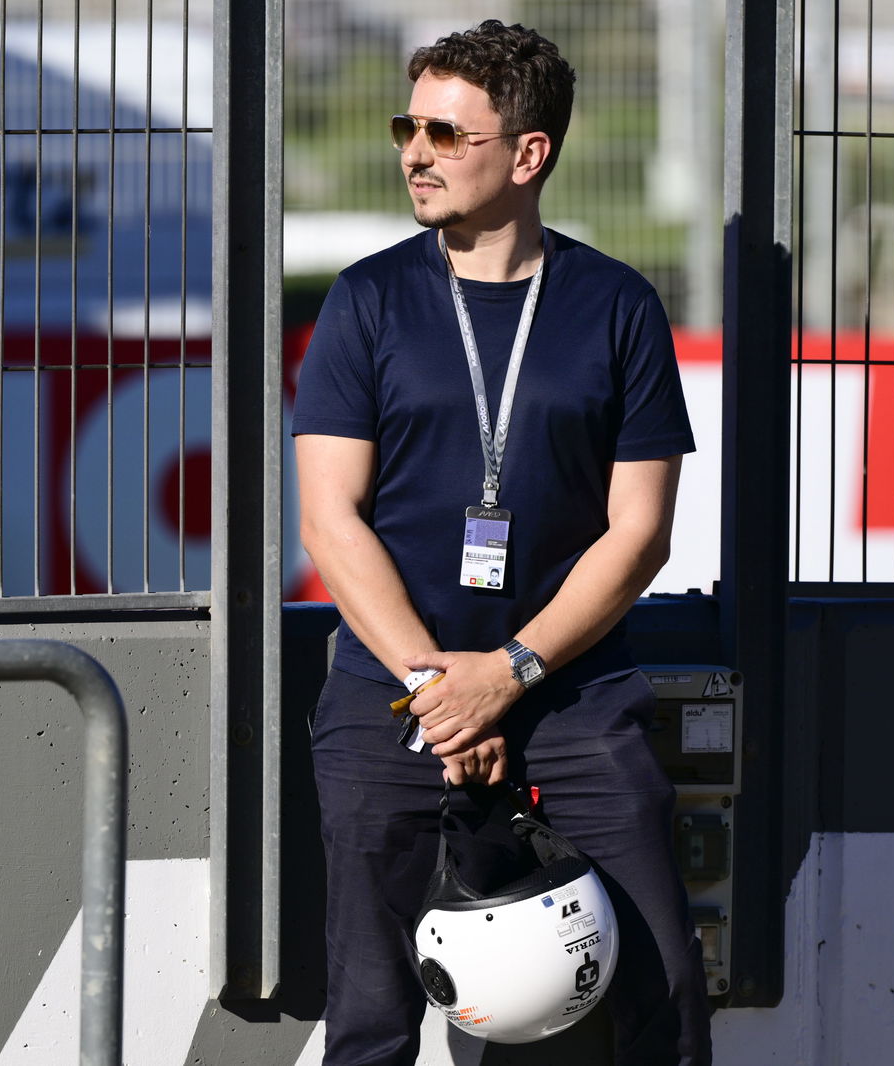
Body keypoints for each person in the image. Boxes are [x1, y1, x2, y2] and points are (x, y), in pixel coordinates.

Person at [292, 19, 711, 1066]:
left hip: (570, 697)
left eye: (445, 133)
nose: (415, 153)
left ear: (529, 154)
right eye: (407, 127)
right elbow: (329, 517)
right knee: (370, 1013)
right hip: (394, 698)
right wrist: (442, 691)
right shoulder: (368, 299)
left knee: (664, 991)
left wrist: (510, 672)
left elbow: (640, 532)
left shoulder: (616, 306)